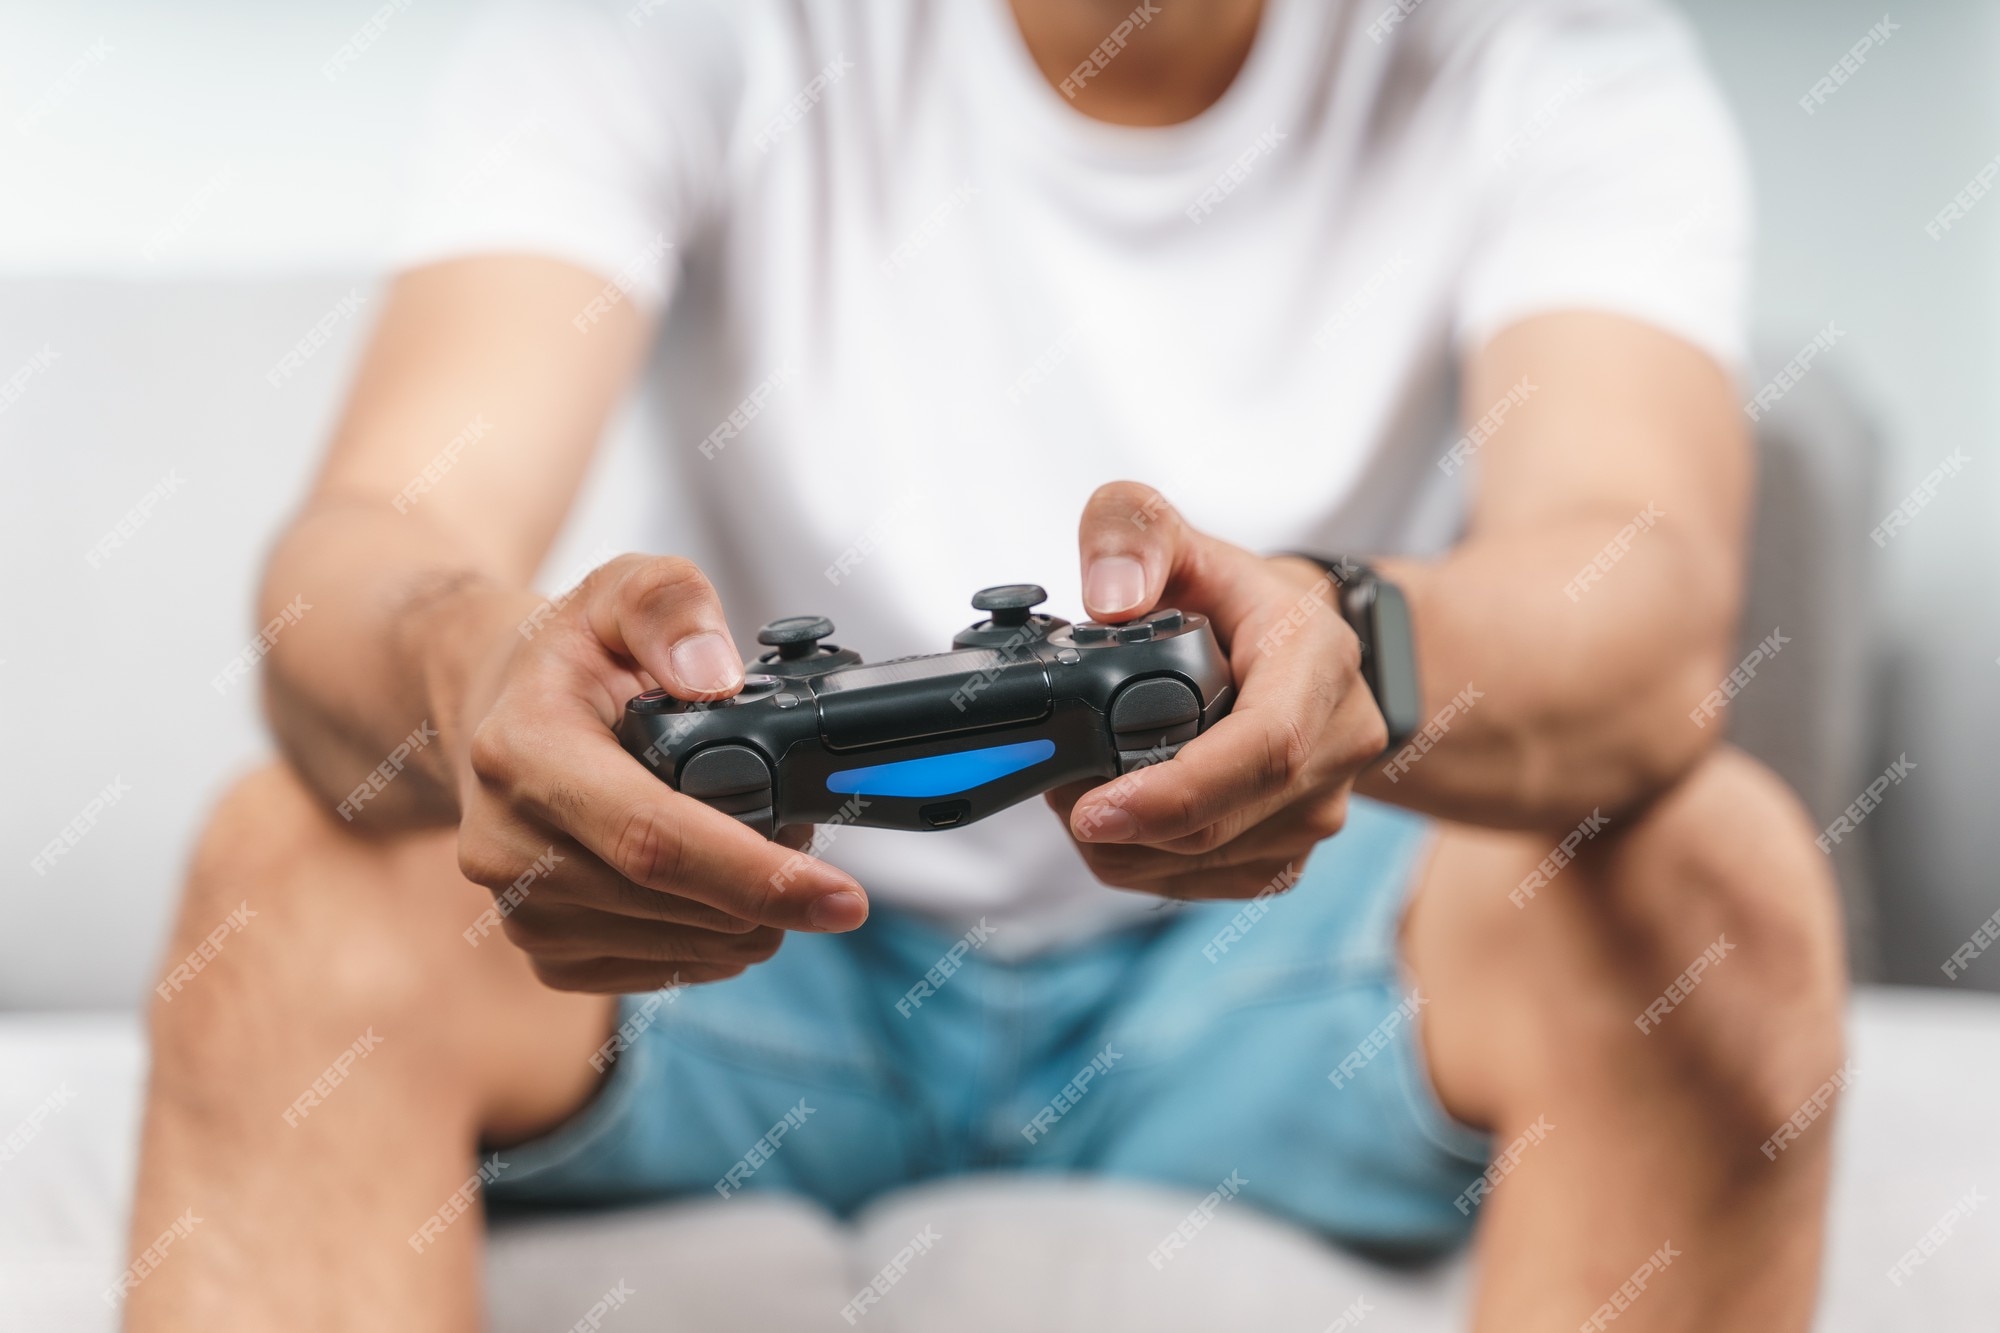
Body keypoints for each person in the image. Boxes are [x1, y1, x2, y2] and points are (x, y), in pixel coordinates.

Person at [127, 0, 1847, 1327]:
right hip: (746, 938)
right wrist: (476, 670)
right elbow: (357, 557)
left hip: (1270, 960)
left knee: (1719, 883)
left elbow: (1646, 617)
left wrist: (1343, 639)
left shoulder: (1556, 56)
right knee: (288, 873)